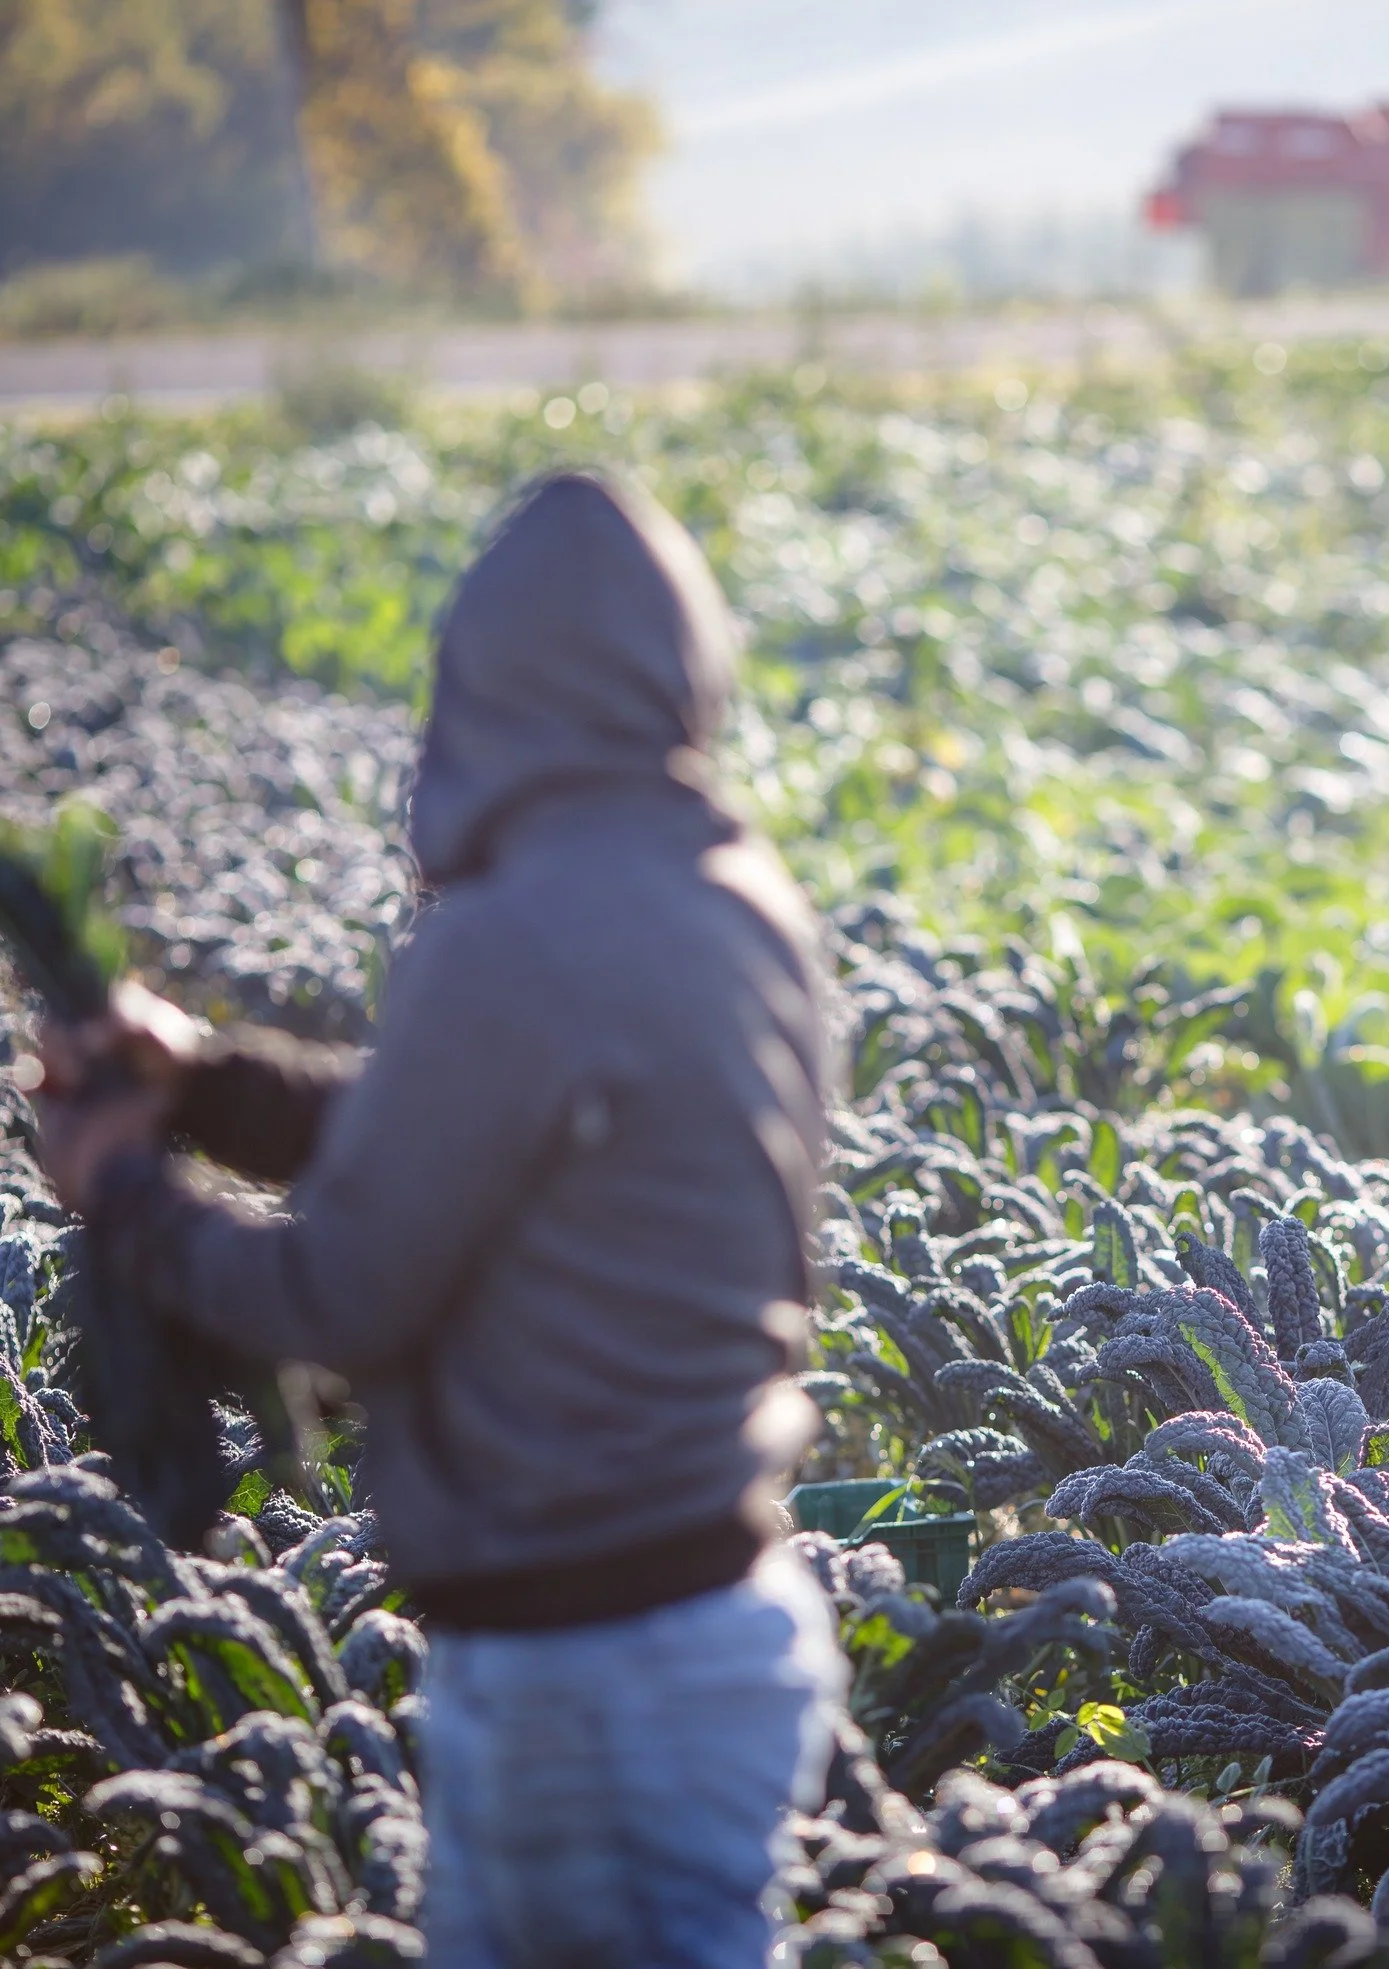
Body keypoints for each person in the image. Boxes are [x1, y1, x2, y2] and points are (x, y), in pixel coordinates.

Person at [31, 471, 846, 1967]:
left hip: (576, 1668)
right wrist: (206, 1083)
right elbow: (488, 1134)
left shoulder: (509, 933)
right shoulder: (739, 900)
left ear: (482, 687)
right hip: (722, 1619)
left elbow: (342, 1295)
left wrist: (125, 1194)